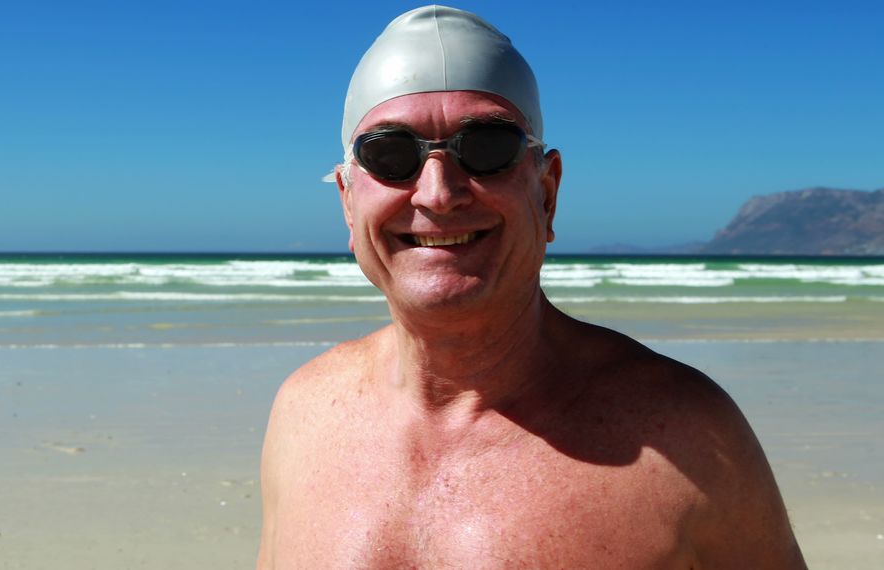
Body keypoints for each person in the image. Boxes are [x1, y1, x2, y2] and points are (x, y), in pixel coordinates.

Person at [258, 6, 806, 568]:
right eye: (391, 154)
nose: (439, 193)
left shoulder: (686, 440)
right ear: (349, 202)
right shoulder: (304, 414)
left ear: (547, 193)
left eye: (487, 148)